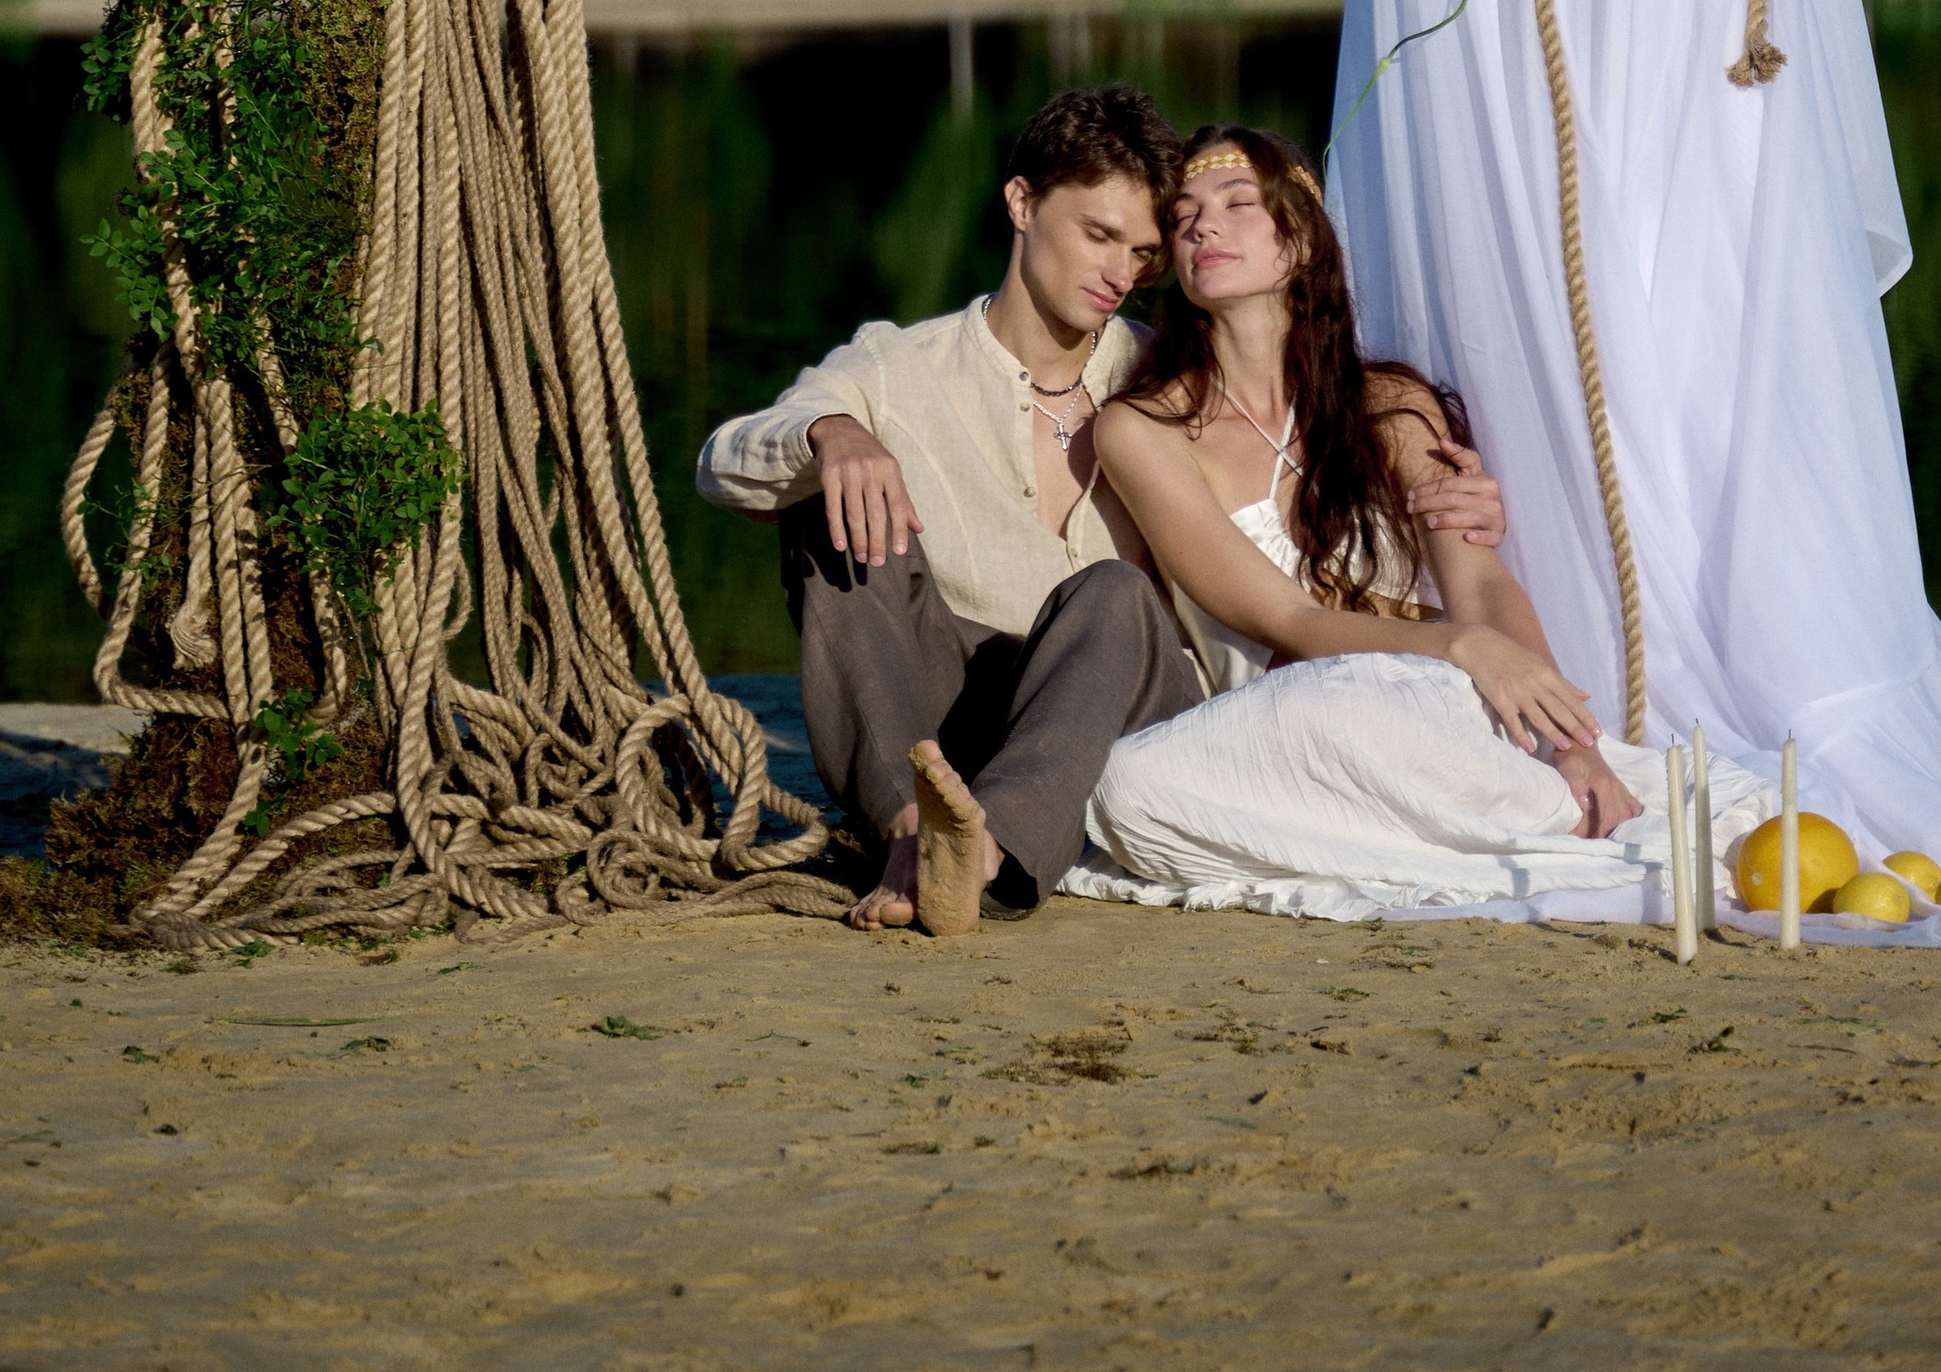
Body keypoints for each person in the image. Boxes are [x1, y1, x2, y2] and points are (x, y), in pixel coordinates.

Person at [696, 84, 1509, 933]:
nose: (1120, 273)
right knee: (828, 504)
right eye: (1098, 235)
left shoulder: (1162, 384)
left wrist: (1445, 500)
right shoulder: (898, 366)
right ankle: (913, 833)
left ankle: (988, 850)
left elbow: (1292, 449)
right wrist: (833, 433)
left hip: (1121, 715)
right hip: (946, 720)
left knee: (1113, 590)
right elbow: (724, 465)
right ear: (1021, 202)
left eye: (1143, 252)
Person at [1061, 127, 1764, 915]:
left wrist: (1571, 742)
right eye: (1184, 214)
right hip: (1276, 724)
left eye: (1238, 203)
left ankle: (1559, 803)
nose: (1202, 225)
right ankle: (1550, 828)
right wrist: (1462, 643)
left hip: (1421, 706)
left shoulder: (1392, 406)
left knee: (1433, 725)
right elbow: (1285, 618)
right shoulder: (1142, 431)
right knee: (1126, 790)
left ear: (1301, 243)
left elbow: (1480, 583)